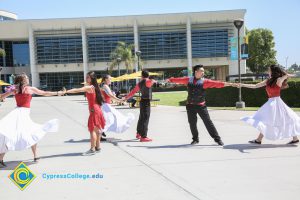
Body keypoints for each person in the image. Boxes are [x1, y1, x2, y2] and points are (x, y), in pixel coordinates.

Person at [0, 73, 64, 168]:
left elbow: (2, 96)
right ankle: (35, 156)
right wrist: (58, 93)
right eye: (26, 77)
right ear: (23, 80)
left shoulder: (15, 90)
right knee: (32, 133)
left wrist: (5, 95)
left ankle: (1, 159)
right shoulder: (30, 89)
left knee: (9, 135)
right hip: (22, 115)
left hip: (16, 113)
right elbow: (44, 93)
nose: (28, 78)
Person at [167, 65, 238, 146]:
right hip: (190, 106)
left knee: (208, 122)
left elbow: (218, 84)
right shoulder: (188, 80)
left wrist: (231, 84)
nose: (203, 73)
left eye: (203, 71)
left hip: (201, 106)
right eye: (202, 71)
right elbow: (178, 80)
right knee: (192, 123)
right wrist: (170, 79)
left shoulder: (205, 81)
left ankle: (217, 139)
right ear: (196, 72)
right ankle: (195, 139)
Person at [240, 64, 300, 145]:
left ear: (273, 71)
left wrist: (291, 74)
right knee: (274, 120)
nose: (268, 71)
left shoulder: (279, 80)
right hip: (271, 102)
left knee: (271, 120)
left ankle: (258, 140)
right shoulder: (268, 81)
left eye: (269, 70)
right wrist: (242, 85)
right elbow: (255, 86)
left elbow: (286, 76)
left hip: (276, 103)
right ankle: (295, 138)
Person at [66, 72, 105, 155]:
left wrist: (66, 91)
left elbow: (77, 90)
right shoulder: (95, 87)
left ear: (92, 78)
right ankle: (98, 147)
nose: (86, 79)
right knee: (97, 130)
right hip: (98, 109)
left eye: (88, 77)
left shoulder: (89, 87)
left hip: (94, 110)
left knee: (92, 130)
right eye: (86, 77)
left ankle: (92, 149)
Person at [124, 70, 156, 142]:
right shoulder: (148, 81)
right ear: (147, 75)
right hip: (146, 102)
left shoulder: (140, 83)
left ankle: (138, 133)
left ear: (142, 76)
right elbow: (152, 82)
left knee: (141, 118)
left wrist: (126, 97)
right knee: (145, 119)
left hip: (142, 101)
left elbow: (133, 91)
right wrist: (153, 80)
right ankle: (143, 136)